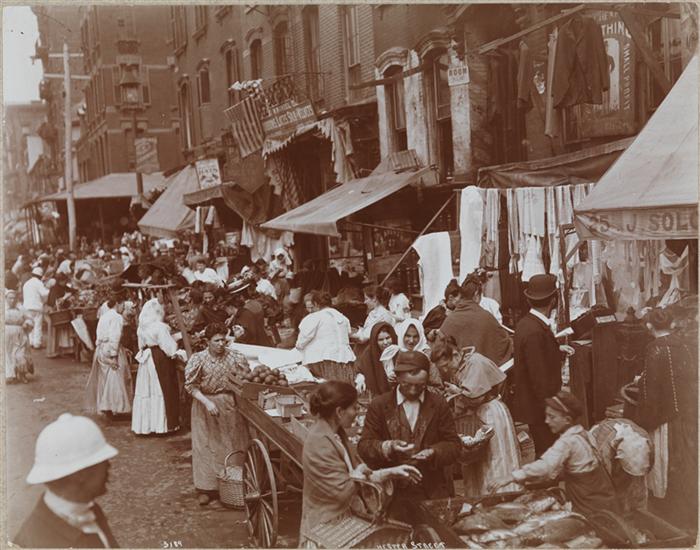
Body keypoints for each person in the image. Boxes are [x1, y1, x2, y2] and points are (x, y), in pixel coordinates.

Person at [299, 381, 422, 547]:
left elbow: (357, 476)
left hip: (344, 516)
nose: (357, 413)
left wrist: (392, 472)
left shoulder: (336, 434)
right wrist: (360, 473)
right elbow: (344, 491)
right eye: (355, 408)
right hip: (326, 524)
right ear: (339, 412)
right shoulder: (319, 442)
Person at [358, 351, 462, 516]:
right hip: (392, 493)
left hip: (431, 489)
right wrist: (388, 446)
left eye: (420, 385)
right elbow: (364, 446)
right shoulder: (380, 405)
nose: (413, 390)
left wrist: (433, 452)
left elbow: (454, 445)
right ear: (398, 378)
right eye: (407, 384)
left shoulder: (438, 404)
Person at [624, 307, 697, 532]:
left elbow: (653, 391)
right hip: (687, 413)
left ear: (649, 326)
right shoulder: (685, 344)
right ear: (671, 324)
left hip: (666, 417)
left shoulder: (654, 348)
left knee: (667, 464)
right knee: (687, 461)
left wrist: (643, 418)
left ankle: (670, 515)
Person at [490, 391, 618, 518]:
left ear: (567, 420)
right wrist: (533, 478)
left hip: (586, 499)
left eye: (552, 417)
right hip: (602, 495)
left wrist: (512, 477)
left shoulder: (567, 442)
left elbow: (546, 465)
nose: (547, 421)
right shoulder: (583, 433)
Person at [13, 413, 119, 548]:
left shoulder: (91, 510)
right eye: (102, 461)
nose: (109, 466)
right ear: (80, 474)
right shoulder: (37, 543)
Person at [185, 323, 251, 506]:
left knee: (231, 443)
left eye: (224, 340)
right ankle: (206, 488)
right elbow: (190, 386)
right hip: (205, 404)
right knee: (206, 446)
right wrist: (207, 402)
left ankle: (233, 485)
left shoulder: (235, 357)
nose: (221, 344)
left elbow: (246, 379)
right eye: (216, 341)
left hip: (229, 403)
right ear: (207, 341)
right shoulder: (198, 359)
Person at [510, 274, 574, 456]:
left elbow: (533, 358)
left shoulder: (526, 324)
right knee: (547, 452)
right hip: (540, 408)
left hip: (535, 404)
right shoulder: (535, 331)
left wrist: (556, 350)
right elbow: (539, 377)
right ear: (553, 300)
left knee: (545, 450)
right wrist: (553, 410)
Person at [447, 350, 521, 497]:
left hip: (490, 413)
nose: (445, 369)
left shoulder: (475, 362)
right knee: (478, 459)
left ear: (454, 354)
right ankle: (480, 497)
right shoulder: (463, 365)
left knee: (495, 457)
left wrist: (457, 392)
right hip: (477, 414)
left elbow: (477, 397)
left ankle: (501, 495)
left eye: (445, 365)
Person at [132, 298, 187, 435]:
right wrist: (177, 350)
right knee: (163, 388)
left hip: (147, 359)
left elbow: (141, 345)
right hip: (159, 359)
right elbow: (168, 347)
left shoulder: (142, 327)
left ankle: (147, 426)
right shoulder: (160, 327)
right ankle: (163, 426)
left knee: (148, 389)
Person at [438, 276, 512, 365]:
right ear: (476, 294)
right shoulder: (486, 316)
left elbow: (440, 351)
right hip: (485, 369)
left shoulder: (448, 321)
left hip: (460, 370)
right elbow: (504, 344)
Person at [589, 417, 653, 516]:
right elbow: (606, 482)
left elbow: (648, 466)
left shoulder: (645, 439)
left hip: (621, 448)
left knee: (637, 487)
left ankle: (638, 514)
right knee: (611, 489)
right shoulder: (603, 448)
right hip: (602, 440)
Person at [85, 291, 133, 417]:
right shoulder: (117, 317)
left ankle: (106, 406)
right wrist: (114, 356)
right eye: (123, 305)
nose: (123, 308)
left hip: (101, 348)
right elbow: (114, 337)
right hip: (110, 348)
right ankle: (115, 408)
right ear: (118, 304)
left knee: (105, 379)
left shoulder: (105, 315)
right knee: (116, 377)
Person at [296, 291, 356, 384]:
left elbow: (302, 341)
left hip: (322, 360)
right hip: (345, 359)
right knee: (343, 386)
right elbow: (348, 333)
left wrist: (299, 348)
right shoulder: (343, 317)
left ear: (316, 304)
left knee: (328, 386)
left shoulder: (315, 317)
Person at [354, 322, 397, 398]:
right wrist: (361, 378)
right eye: (380, 340)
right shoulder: (369, 353)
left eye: (388, 338)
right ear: (375, 341)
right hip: (378, 395)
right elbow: (361, 370)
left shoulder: (399, 351)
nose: (385, 342)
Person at [5, 289, 34, 384]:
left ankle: (22, 374)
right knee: (8, 355)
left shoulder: (21, 308)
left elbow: (30, 319)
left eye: (14, 298)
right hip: (6, 335)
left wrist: (27, 323)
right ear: (6, 298)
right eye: (10, 298)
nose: (12, 300)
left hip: (20, 335)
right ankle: (11, 375)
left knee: (21, 354)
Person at [23, 266, 52, 349]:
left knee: (30, 325)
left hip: (26, 307)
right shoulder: (38, 283)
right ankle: (37, 344)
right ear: (40, 276)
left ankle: (31, 342)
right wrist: (49, 288)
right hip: (36, 307)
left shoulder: (26, 283)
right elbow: (45, 293)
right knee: (37, 326)